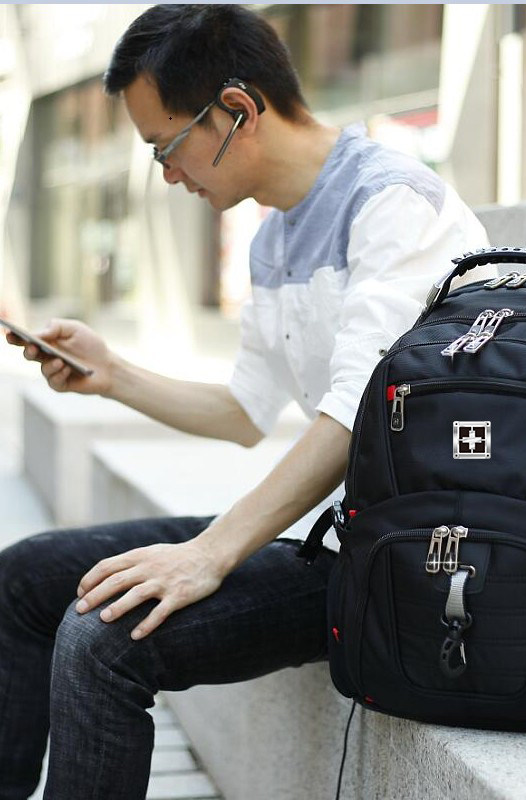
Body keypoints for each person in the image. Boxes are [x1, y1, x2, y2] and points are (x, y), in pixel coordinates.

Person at [0, 5, 493, 799]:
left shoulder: (392, 204)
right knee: (23, 578)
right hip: (326, 533)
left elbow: (357, 413)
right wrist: (111, 373)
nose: (167, 175)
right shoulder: (274, 237)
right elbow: (243, 411)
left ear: (237, 110)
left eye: (165, 147)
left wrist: (209, 554)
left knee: (102, 638)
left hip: (403, 557)